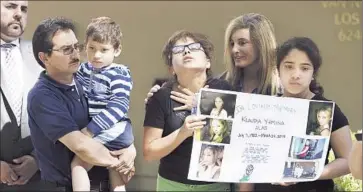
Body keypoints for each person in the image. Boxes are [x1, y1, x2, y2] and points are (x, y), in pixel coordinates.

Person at [144, 13, 280, 191]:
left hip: (266, 179)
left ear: (261, 44)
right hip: (222, 179)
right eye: (231, 44)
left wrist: (203, 105)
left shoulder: (280, 89)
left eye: (242, 42)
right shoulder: (226, 83)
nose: (234, 50)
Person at [27, 17, 136, 191]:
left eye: (76, 47)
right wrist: (120, 161)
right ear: (44, 57)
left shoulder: (84, 79)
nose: (75, 54)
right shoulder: (43, 96)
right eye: (66, 49)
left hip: (101, 183)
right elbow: (81, 145)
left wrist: (129, 148)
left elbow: (116, 111)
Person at [253, 37, 352, 192]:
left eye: (304, 68)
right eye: (289, 67)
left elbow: (348, 161)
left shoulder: (326, 110)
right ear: (278, 70)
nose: (296, 74)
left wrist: (306, 173)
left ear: (313, 73)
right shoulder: (264, 108)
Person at [143, 30, 232, 191]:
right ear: (171, 69)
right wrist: (183, 132)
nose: (186, 50)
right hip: (171, 183)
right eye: (178, 50)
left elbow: (233, 138)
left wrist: (202, 106)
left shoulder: (223, 90)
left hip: (215, 185)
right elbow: (149, 153)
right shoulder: (161, 97)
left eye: (194, 47)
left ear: (208, 62)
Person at [72, 16, 135, 191]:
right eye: (91, 48)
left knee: (79, 164)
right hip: (104, 130)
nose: (96, 55)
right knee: (114, 168)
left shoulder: (118, 74)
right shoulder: (84, 69)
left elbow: (118, 107)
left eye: (104, 50)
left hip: (112, 129)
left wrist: (90, 130)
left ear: (117, 50)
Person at [0, 1, 50, 190]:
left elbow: (60, 115)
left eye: (23, 9)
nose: (18, 14)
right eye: (11, 6)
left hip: (36, 181)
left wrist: (37, 160)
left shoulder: (42, 57)